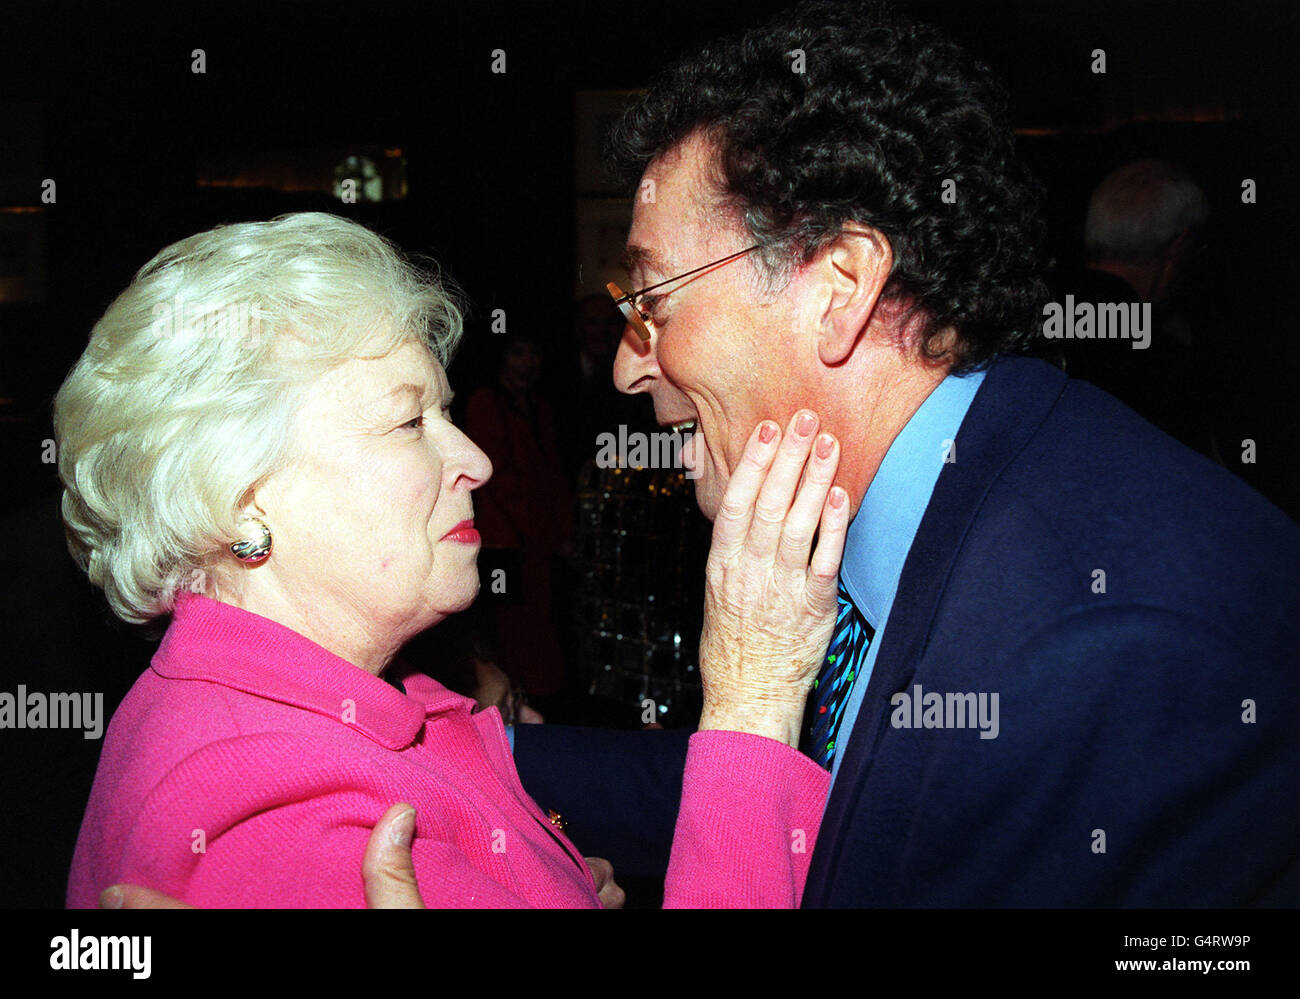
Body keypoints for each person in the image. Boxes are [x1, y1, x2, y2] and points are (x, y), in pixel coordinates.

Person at [62, 211, 848, 908]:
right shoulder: (276, 810)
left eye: (445, 412)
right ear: (241, 498)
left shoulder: (307, 709)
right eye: (410, 422)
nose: (472, 458)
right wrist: (753, 702)